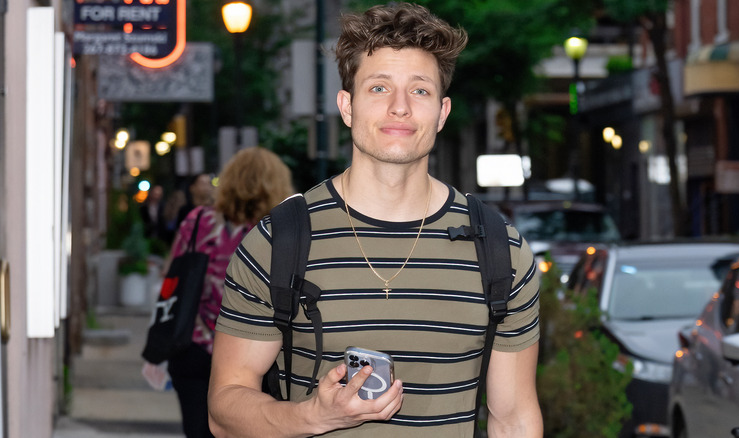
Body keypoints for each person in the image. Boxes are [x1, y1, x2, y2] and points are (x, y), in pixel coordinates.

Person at [209, 3, 542, 437]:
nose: (400, 107)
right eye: (379, 88)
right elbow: (223, 411)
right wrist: (313, 416)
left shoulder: (500, 250)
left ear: (441, 113)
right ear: (347, 106)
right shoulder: (279, 242)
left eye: (419, 90)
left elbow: (513, 419)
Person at [165, 147, 294, 438]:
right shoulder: (279, 232)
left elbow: (172, 276)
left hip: (195, 345)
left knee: (199, 429)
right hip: (259, 353)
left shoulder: (198, 221)